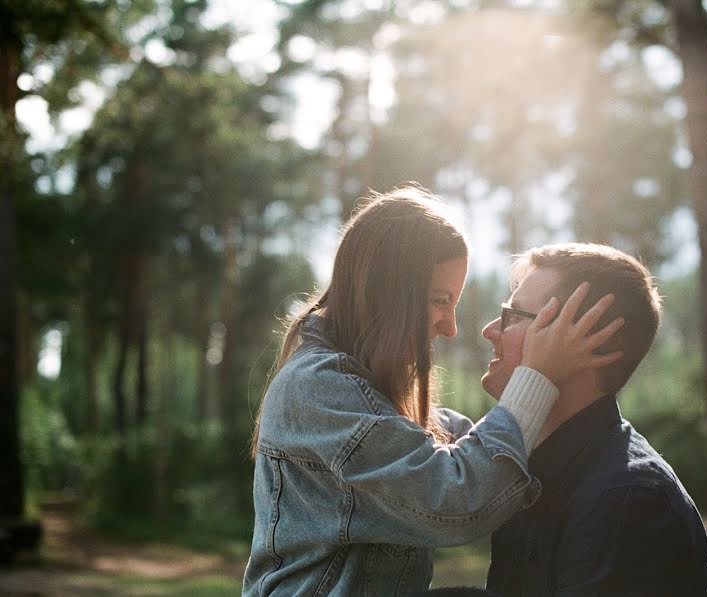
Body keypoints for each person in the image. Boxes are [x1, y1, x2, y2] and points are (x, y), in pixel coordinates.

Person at [242, 188, 624, 596]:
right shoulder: (320, 389)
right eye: (440, 300)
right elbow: (456, 499)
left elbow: (453, 441)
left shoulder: (361, 386)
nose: (450, 327)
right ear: (387, 291)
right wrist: (537, 377)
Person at [483, 243, 707, 596]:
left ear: (586, 341)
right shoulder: (533, 473)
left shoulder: (627, 501)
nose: (490, 330)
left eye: (514, 316)